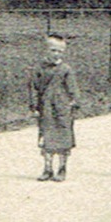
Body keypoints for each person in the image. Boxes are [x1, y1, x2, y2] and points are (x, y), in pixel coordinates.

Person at [29, 34, 80, 182]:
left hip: (62, 108)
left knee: (63, 137)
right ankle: (47, 168)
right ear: (45, 50)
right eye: (53, 50)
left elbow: (73, 89)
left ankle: (62, 168)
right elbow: (33, 88)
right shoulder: (39, 68)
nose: (56, 54)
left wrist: (74, 102)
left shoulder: (65, 69)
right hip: (46, 108)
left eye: (60, 51)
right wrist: (34, 106)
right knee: (46, 137)